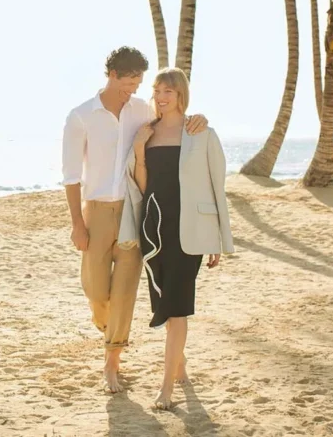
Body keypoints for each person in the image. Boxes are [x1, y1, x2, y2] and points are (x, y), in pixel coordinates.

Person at [62, 48, 208, 394]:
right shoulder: (81, 116)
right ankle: (109, 328)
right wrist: (77, 225)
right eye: (129, 83)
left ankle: (112, 363)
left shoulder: (142, 109)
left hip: (133, 212)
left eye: (138, 83)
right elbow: (70, 176)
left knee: (125, 292)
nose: (135, 90)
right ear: (112, 75)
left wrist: (197, 119)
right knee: (96, 291)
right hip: (96, 212)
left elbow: (173, 118)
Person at [131, 67, 235, 409]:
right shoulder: (146, 131)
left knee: (176, 309)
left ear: (181, 95)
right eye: (158, 91)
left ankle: (166, 390)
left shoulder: (200, 132)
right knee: (164, 302)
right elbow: (143, 187)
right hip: (154, 227)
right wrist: (139, 149)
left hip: (189, 232)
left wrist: (218, 240)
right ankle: (181, 365)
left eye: (169, 92)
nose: (161, 98)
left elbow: (216, 187)